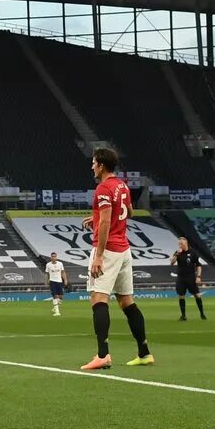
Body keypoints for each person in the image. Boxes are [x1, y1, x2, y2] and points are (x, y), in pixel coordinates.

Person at [80, 146, 152, 370]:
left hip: (109, 249)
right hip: (124, 249)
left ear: (101, 165)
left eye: (93, 163)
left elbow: (105, 222)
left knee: (98, 298)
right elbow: (129, 212)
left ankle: (103, 355)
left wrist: (99, 256)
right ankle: (144, 352)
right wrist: (99, 216)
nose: (92, 166)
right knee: (126, 301)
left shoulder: (102, 189)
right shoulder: (122, 185)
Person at [173, 237, 206, 321]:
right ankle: (183, 316)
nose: (180, 245)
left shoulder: (193, 253)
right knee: (181, 296)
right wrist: (177, 254)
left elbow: (198, 265)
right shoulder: (177, 253)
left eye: (181, 243)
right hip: (181, 278)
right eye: (179, 244)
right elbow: (172, 262)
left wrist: (198, 276)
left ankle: (202, 313)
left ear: (186, 243)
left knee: (197, 295)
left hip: (191, 277)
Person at [45, 252, 68, 316]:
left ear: (56, 257)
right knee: (55, 296)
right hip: (52, 281)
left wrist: (65, 279)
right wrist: (46, 281)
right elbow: (46, 273)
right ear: (51, 257)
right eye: (52, 256)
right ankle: (57, 312)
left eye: (55, 256)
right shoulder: (48, 265)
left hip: (59, 281)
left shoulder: (60, 264)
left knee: (61, 297)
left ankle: (55, 307)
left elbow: (63, 272)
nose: (53, 257)